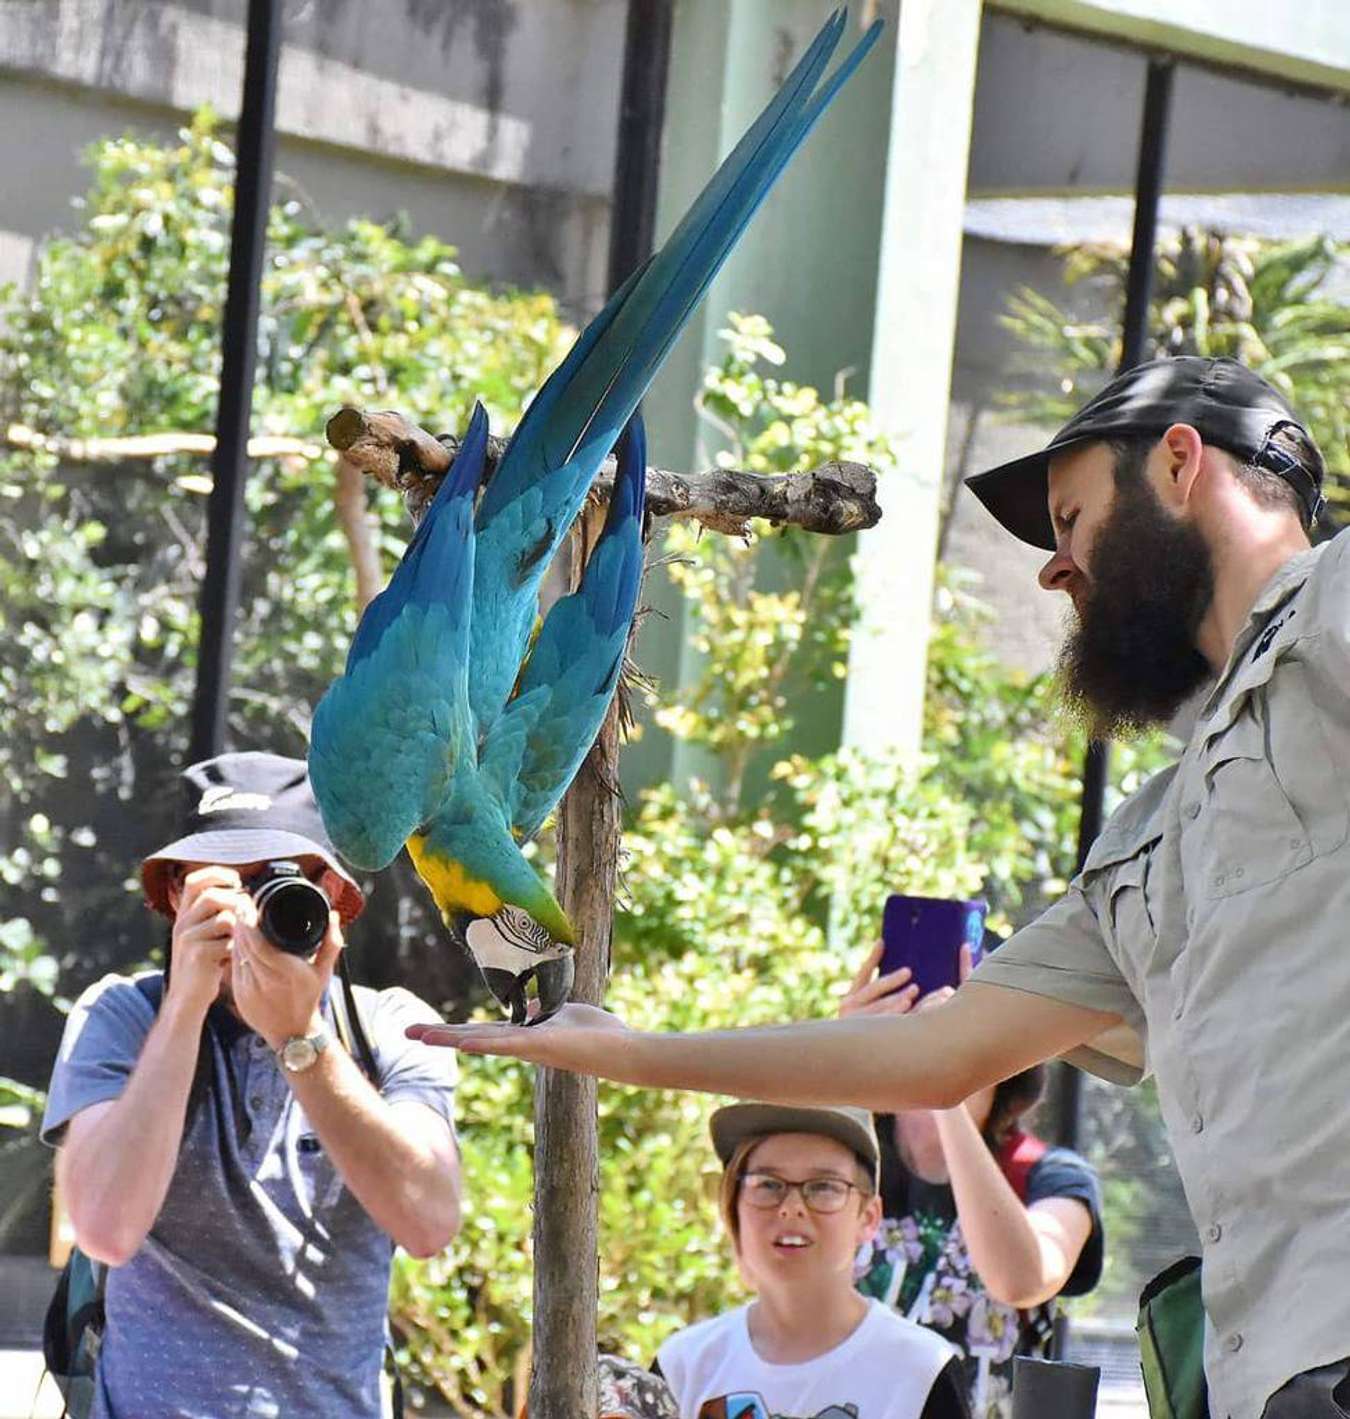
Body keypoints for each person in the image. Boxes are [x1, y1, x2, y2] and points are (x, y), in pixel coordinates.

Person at [410, 356, 1348, 1419]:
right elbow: (932, 1053)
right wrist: (622, 1052)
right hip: (1274, 1376)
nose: (1055, 571)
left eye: (1073, 519)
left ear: (1180, 463)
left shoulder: (1333, 618)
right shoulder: (1150, 841)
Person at [43, 751, 462, 1419]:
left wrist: (303, 1042)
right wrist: (184, 1006)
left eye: (276, 882)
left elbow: (431, 1221)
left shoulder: (390, 1028)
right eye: (223, 886)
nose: (249, 914)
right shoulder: (122, 1016)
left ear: (332, 896)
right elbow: (106, 1229)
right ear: (178, 895)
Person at [841, 944, 1102, 1418]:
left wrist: (947, 1087)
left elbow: (1022, 1279)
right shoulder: (844, 1159)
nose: (927, 1040)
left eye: (963, 1027)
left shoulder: (1052, 1176)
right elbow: (769, 1251)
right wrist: (843, 1060)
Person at [653, 1102, 967, 1419]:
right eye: (768, 1185)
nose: (792, 1207)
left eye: (823, 1187)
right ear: (733, 1206)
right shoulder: (684, 1366)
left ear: (869, 1217)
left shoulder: (921, 1372)